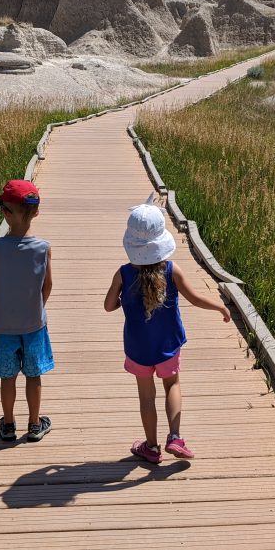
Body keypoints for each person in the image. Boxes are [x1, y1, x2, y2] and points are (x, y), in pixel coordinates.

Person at [103, 198, 231, 463]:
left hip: (138, 348)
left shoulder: (123, 274)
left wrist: (124, 300)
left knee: (146, 396)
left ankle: (150, 446)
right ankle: (175, 437)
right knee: (172, 384)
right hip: (167, 345)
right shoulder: (171, 270)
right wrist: (219, 307)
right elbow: (195, 298)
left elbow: (108, 306)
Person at [0, 179, 54, 442]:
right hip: (34, 325)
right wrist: (36, 309)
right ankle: (35, 424)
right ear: (36, 212)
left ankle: (9, 424)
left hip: (2, 326)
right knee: (33, 376)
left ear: (5, 213)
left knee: (7, 376)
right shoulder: (43, 248)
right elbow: (48, 287)